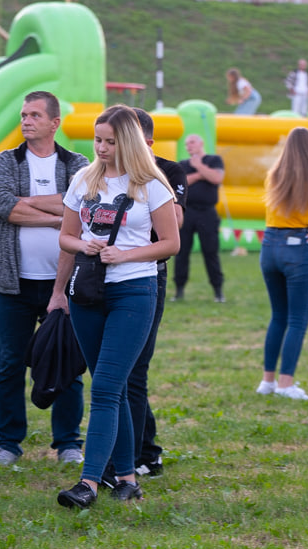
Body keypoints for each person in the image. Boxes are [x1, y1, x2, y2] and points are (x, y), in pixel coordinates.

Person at [57, 105, 179, 509]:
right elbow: (66, 237)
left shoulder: (152, 185)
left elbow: (170, 243)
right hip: (88, 291)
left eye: (110, 141)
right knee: (115, 387)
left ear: (127, 141)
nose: (102, 147)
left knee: (107, 387)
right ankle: (127, 478)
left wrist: (125, 256)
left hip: (134, 291)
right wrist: (85, 245)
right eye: (97, 140)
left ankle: (90, 482)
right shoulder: (84, 179)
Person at [0, 91, 88, 466]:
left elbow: (84, 205)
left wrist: (24, 203)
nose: (26, 120)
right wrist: (60, 215)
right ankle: (8, 443)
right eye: (23, 114)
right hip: (14, 282)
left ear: (54, 122)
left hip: (64, 283)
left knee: (67, 363)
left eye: (34, 115)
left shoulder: (77, 163)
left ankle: (68, 443)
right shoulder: (5, 161)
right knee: (9, 363)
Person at [110, 107, 187, 483]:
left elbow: (175, 226)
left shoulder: (167, 173)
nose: (116, 147)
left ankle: (139, 456)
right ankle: (136, 451)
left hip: (146, 277)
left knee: (134, 372)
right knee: (114, 374)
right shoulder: (103, 173)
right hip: (105, 279)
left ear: (149, 142)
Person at [255, 127, 308, 401]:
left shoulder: (273, 175)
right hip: (296, 249)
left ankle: (267, 380)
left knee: (278, 316)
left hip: (269, 247)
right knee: (298, 320)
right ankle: (286, 383)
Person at [173, 134, 225, 302]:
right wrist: (200, 174)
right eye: (187, 144)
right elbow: (180, 183)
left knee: (211, 252)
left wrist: (199, 167)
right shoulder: (183, 164)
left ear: (201, 142)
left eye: (192, 142)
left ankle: (218, 291)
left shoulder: (214, 160)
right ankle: (179, 290)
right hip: (187, 212)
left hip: (207, 213)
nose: (189, 146)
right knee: (182, 252)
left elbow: (217, 178)